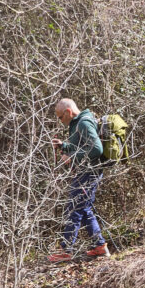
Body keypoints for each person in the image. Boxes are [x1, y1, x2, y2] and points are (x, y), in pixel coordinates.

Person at [48, 98, 109, 263]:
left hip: (89, 173)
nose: (60, 121)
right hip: (85, 172)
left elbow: (96, 149)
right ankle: (100, 246)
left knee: (73, 208)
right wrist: (64, 146)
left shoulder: (83, 123)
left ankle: (65, 249)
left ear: (68, 112)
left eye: (60, 117)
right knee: (84, 208)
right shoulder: (78, 123)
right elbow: (82, 145)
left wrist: (72, 156)